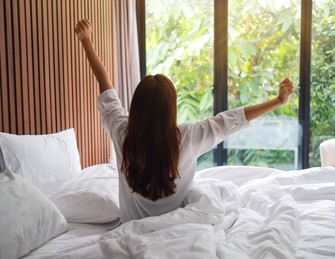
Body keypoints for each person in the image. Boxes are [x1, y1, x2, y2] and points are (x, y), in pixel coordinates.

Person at [75, 19, 295, 223]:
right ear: (170, 110)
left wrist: (86, 40)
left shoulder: (121, 132)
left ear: (137, 107)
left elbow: (105, 85)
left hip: (130, 229)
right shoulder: (187, 137)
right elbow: (231, 120)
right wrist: (277, 101)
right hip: (176, 228)